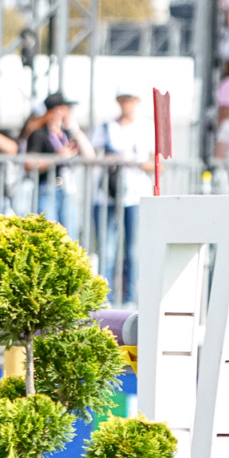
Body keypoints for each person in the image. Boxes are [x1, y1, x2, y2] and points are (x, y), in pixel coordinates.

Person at [92, 88, 152, 303]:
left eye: (130, 99)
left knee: (133, 250)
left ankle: (130, 298)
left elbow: (157, 163)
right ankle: (104, 298)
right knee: (107, 249)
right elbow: (90, 155)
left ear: (137, 101)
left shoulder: (146, 127)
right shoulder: (106, 128)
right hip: (108, 195)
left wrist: (131, 161)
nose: (127, 104)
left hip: (135, 196)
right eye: (123, 100)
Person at [24, 92, 94, 230]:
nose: (69, 112)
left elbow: (90, 155)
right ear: (57, 110)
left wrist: (75, 129)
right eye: (65, 108)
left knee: (70, 236)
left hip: (67, 189)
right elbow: (29, 165)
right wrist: (57, 158)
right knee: (49, 234)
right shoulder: (39, 134)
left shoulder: (67, 134)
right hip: (47, 189)